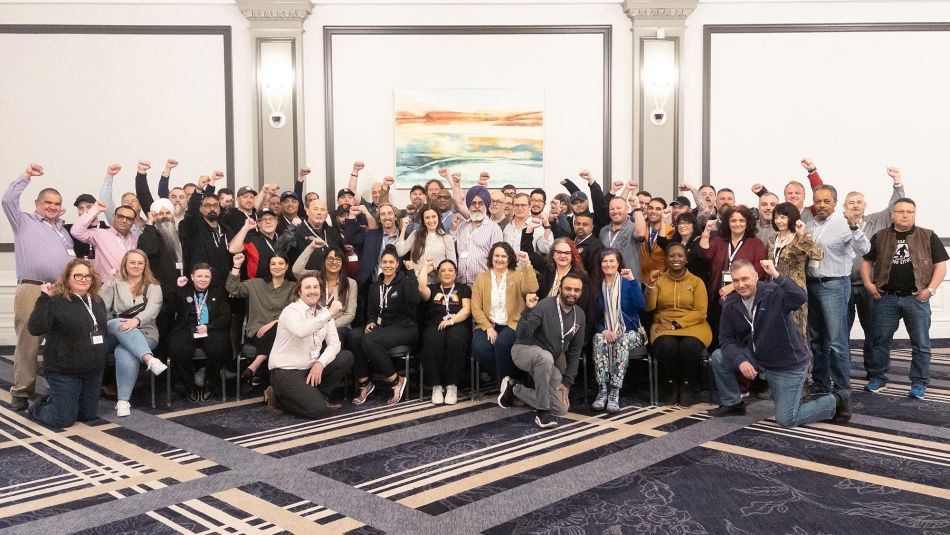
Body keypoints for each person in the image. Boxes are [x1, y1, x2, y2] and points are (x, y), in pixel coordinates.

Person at [709, 259, 850, 428]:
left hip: (787, 364)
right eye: (736, 280)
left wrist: (776, 274)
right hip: (757, 357)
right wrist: (741, 361)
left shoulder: (773, 292)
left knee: (787, 419)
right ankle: (732, 403)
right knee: (719, 356)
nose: (741, 285)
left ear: (755, 277)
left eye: (745, 279)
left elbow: (800, 297)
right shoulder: (730, 304)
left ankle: (836, 400)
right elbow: (726, 340)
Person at [3, 163, 77, 411]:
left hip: (61, 292)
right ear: (37, 204)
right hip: (33, 289)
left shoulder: (63, 231)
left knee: (60, 342)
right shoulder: (22, 221)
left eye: (57, 204)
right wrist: (25, 175)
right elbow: (8, 199)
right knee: (29, 341)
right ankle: (22, 392)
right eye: (48, 203)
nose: (53, 207)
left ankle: (55, 389)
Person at [861, 198, 947, 398]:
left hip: (916, 299)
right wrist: (868, 284)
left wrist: (931, 290)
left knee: (921, 343)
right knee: (880, 341)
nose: (905, 215)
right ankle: (878, 378)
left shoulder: (928, 236)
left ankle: (919, 383)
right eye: (901, 211)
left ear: (915, 214)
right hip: (886, 298)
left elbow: (940, 266)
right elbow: (867, 262)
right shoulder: (880, 236)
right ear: (892, 213)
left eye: (910, 211)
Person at [497, 273, 586, 429]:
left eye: (576, 290)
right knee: (544, 357)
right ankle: (542, 412)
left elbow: (575, 349)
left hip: (549, 359)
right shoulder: (544, 306)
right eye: (568, 288)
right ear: (559, 289)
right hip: (523, 351)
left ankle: (514, 389)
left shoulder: (579, 314)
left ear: (581, 292)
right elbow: (522, 335)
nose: (572, 293)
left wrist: (567, 381)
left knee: (561, 409)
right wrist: (529, 311)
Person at [26, 260, 108, 427]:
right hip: (64, 372)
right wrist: (43, 299)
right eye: (78, 275)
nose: (83, 279)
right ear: (67, 278)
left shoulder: (98, 301)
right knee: (63, 420)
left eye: (88, 276)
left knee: (87, 416)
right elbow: (35, 328)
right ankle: (39, 406)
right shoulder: (55, 301)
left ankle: (62, 400)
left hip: (92, 372)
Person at [266, 272, 355, 418]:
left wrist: (320, 362)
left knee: (345, 357)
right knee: (318, 411)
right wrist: (330, 313)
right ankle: (277, 397)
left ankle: (320, 397)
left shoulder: (324, 312)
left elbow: (334, 344)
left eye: (315, 287)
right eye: (307, 287)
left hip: (310, 368)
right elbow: (302, 331)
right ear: (300, 291)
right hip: (286, 371)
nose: (312, 291)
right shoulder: (290, 311)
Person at [807, 184, 869, 394]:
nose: (822, 205)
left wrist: (854, 228)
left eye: (826, 201)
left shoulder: (843, 224)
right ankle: (821, 383)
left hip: (834, 286)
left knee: (836, 341)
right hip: (812, 286)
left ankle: (842, 389)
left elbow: (864, 249)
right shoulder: (811, 224)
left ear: (834, 202)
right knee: (817, 339)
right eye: (818, 201)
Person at [844, 167, 906, 375]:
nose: (855, 205)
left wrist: (897, 182)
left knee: (874, 331)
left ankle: (875, 373)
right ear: (844, 207)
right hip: (842, 286)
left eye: (858, 202)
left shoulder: (876, 221)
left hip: (870, 286)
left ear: (865, 206)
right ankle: (842, 373)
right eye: (850, 202)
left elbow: (895, 207)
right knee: (840, 333)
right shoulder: (837, 225)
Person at [349, 246, 420, 405]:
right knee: (355, 336)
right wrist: (370, 322)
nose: (387, 265)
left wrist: (411, 274)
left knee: (369, 340)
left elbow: (415, 299)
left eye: (391, 262)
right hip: (382, 328)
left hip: (405, 327)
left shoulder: (404, 280)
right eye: (384, 262)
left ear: (397, 264)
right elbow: (371, 312)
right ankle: (365, 383)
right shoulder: (375, 285)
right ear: (380, 264)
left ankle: (397, 381)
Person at [644, 243, 712, 406]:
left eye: (680, 256)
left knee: (689, 346)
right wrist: (651, 285)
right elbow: (649, 307)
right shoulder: (659, 280)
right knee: (667, 346)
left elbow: (700, 311)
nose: (676, 259)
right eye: (672, 255)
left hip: (694, 325)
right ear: (666, 259)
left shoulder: (697, 282)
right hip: (663, 325)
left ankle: (687, 387)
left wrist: (675, 325)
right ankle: (671, 386)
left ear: (686, 259)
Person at [100, 249, 166, 417]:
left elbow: (153, 310)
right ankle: (150, 359)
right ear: (125, 265)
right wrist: (108, 282)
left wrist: (136, 321)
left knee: (123, 351)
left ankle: (122, 401)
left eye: (140, 263)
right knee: (116, 322)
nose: (136, 266)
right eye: (132, 262)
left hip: (146, 332)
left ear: (145, 266)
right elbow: (100, 306)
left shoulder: (153, 286)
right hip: (116, 330)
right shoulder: (115, 284)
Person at [698, 204, 766, 344]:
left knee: (740, 336)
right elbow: (704, 255)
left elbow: (759, 270)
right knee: (720, 333)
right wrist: (706, 232)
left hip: (744, 297)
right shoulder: (718, 241)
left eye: (741, 220)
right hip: (718, 296)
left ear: (747, 223)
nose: (737, 224)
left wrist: (733, 287)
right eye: (733, 220)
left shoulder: (756, 243)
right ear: (727, 223)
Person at [471, 242, 539, 382]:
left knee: (502, 343)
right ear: (491, 257)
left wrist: (527, 264)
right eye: (497, 255)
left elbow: (532, 288)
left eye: (503, 256)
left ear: (509, 259)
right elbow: (476, 307)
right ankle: (508, 382)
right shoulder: (481, 278)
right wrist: (488, 327)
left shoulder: (518, 276)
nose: (499, 259)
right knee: (479, 347)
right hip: (489, 324)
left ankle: (506, 386)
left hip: (512, 324)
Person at [227, 253, 298, 386]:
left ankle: (258, 362)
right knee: (277, 337)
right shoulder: (256, 284)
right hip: (258, 332)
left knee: (278, 330)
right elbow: (233, 289)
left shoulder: (293, 287)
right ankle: (272, 384)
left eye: (281, 263)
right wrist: (236, 266)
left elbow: (295, 312)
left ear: (287, 266)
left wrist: (274, 322)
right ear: (269, 267)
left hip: (283, 331)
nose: (277, 266)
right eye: (273, 264)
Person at [589, 248, 645, 412]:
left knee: (621, 341)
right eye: (604, 261)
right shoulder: (596, 287)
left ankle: (614, 391)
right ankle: (602, 390)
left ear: (619, 263)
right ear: (600, 265)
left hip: (630, 333)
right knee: (598, 339)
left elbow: (641, 305)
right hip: (606, 332)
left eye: (612, 261)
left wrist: (633, 281)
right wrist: (603, 330)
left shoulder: (628, 283)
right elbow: (593, 316)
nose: (608, 264)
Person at [167, 264, 231, 402]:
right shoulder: (183, 291)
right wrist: (177, 288)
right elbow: (169, 309)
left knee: (219, 348)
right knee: (178, 349)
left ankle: (210, 384)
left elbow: (226, 316)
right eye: (199, 276)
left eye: (206, 276)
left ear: (211, 277)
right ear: (192, 277)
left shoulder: (218, 293)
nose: (203, 279)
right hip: (186, 328)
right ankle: (189, 387)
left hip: (210, 328)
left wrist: (210, 326)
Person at [417, 258, 472, 405]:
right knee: (432, 340)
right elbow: (421, 288)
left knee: (456, 339)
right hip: (435, 324)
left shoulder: (463, 288)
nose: (446, 273)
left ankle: (452, 385)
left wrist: (451, 321)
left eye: (450, 270)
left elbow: (466, 310)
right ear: (438, 274)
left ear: (456, 273)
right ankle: (436, 386)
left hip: (457, 322)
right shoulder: (433, 288)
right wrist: (425, 266)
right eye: (443, 270)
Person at [766, 203, 823, 341]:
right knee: (776, 332)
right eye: (776, 217)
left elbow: (818, 254)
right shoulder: (772, 240)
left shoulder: (800, 237)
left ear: (791, 218)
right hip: (774, 290)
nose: (779, 221)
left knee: (796, 332)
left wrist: (802, 234)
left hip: (794, 290)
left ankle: (801, 362)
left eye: (783, 217)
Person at [292, 244, 358, 342]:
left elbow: (349, 314)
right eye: (330, 259)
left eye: (338, 259)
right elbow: (296, 270)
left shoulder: (351, 283)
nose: (334, 262)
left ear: (342, 263)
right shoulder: (315, 277)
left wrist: (328, 325)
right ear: (324, 261)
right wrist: (311, 247)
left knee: (335, 337)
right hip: (314, 322)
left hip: (339, 325)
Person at [71, 200, 139, 282]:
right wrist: (95, 210)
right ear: (114, 216)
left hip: (130, 286)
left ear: (133, 221)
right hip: (106, 287)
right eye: (120, 216)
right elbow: (76, 231)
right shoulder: (100, 234)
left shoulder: (135, 239)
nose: (124, 220)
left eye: (129, 219)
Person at [179, 192, 233, 289]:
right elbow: (191, 213)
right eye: (208, 206)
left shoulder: (227, 230)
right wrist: (199, 190)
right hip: (200, 284)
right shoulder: (193, 228)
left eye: (215, 205)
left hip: (224, 286)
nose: (212, 209)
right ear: (200, 208)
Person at [454, 186, 504, 286]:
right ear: (469, 205)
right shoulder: (461, 227)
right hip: (461, 285)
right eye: (473, 203)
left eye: (480, 203)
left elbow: (498, 261)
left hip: (484, 285)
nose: (477, 206)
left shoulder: (494, 229)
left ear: (486, 205)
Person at [396, 205, 457, 283]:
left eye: (433, 216)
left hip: (435, 284)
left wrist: (433, 267)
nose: (431, 220)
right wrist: (404, 228)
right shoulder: (415, 234)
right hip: (415, 283)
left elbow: (452, 265)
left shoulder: (447, 238)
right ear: (423, 220)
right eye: (427, 218)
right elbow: (400, 252)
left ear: (438, 218)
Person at [599, 195, 647, 279]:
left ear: (627, 209)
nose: (615, 211)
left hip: (628, 282)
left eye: (618, 208)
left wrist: (636, 207)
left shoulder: (633, 228)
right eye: (612, 209)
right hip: (607, 281)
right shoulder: (603, 231)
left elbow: (640, 234)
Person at [669, 212, 708, 282]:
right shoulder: (675, 242)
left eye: (687, 223)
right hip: (678, 281)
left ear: (693, 225)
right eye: (680, 223)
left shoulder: (699, 241)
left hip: (696, 282)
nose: (682, 226)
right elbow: (661, 242)